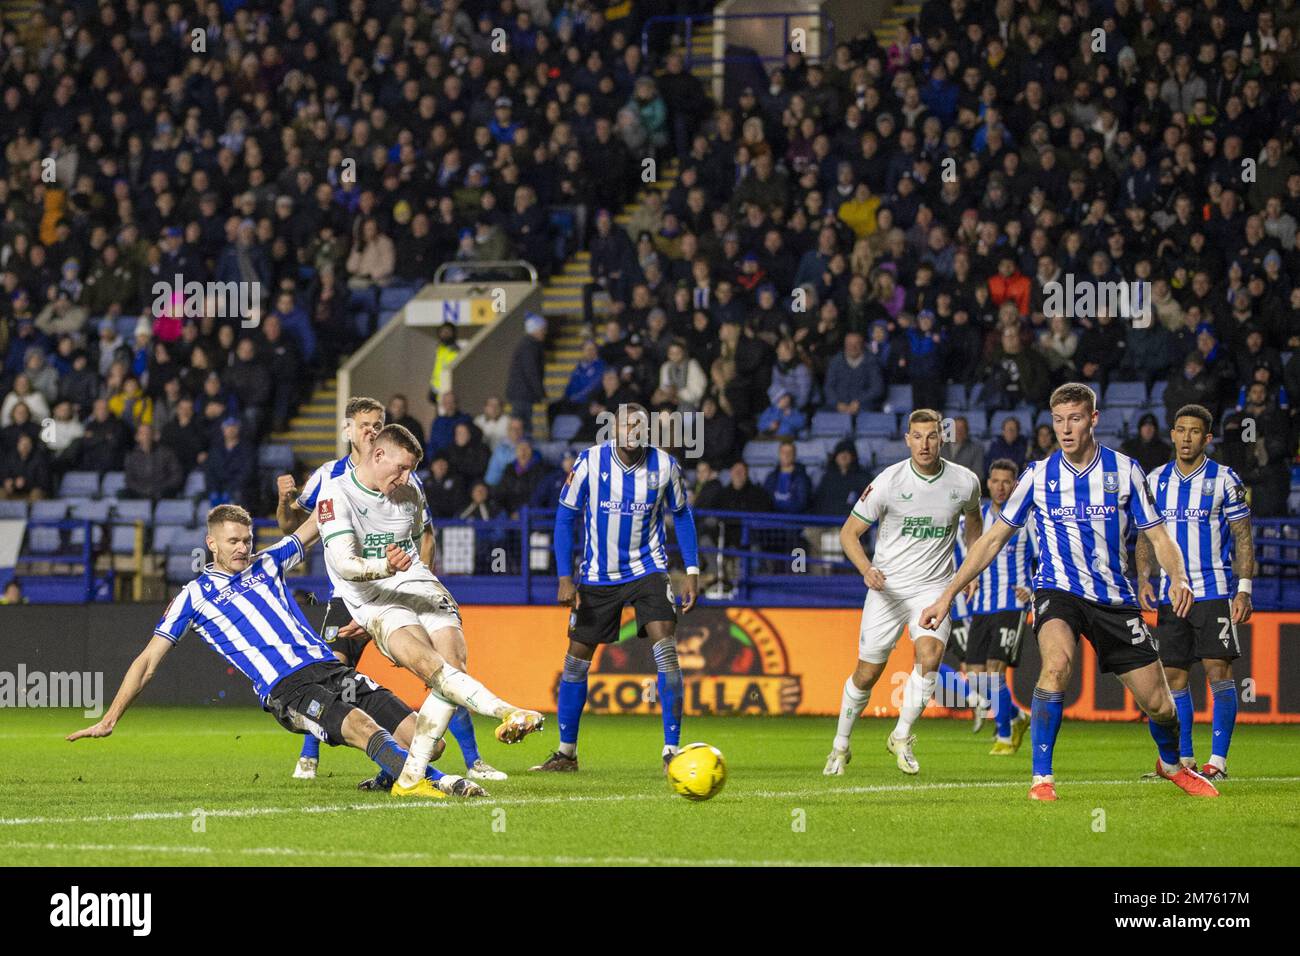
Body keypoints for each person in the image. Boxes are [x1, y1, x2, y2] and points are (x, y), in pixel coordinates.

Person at [919, 383, 1220, 801]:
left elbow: (1158, 535)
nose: (1065, 428)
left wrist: (1179, 577)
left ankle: (1171, 763)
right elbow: (989, 540)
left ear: (1093, 419)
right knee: (1056, 666)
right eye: (1058, 420)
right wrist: (947, 594)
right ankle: (1042, 779)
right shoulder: (1039, 476)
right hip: (1057, 591)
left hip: (1114, 600)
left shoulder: (1125, 471)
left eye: (1075, 418)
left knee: (1160, 706)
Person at [67, 504, 485, 800]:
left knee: (426, 737)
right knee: (359, 724)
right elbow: (147, 662)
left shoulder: (267, 563)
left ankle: (392, 773)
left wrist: (349, 485)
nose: (242, 548)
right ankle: (440, 784)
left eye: (247, 540)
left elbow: (313, 527)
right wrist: (110, 716)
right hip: (287, 689)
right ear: (211, 543)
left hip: (327, 668)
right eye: (232, 541)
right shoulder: (193, 597)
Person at [275, 398, 503, 784]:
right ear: (348, 430)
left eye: (378, 423)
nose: (371, 429)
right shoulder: (329, 478)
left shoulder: (404, 478)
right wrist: (284, 501)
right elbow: (295, 528)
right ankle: (310, 756)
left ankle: (472, 758)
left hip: (396, 590)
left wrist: (415, 584)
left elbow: (424, 536)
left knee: (440, 669)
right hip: (349, 594)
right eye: (364, 424)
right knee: (333, 670)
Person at [315, 423, 545, 795]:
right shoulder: (335, 494)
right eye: (401, 468)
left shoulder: (410, 491)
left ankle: (409, 777)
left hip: (418, 584)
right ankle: (506, 711)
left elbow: (421, 539)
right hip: (377, 600)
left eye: (411, 470)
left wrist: (416, 574)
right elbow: (344, 563)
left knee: (454, 665)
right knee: (428, 665)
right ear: (378, 455)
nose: (408, 478)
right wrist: (384, 569)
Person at [533, 403, 700, 773]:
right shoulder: (590, 462)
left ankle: (671, 749)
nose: (632, 430)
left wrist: (691, 568)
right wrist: (564, 576)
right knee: (576, 660)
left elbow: (682, 514)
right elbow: (566, 515)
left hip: (648, 570)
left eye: (638, 425)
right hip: (597, 576)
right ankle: (566, 753)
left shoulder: (665, 466)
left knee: (666, 648)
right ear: (613, 430)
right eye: (626, 424)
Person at [824, 409, 983, 778]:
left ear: (941, 438)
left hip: (933, 588)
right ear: (907, 439)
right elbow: (849, 534)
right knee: (867, 673)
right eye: (917, 436)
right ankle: (840, 745)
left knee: (929, 655)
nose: (925, 444)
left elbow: (974, 525)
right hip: (887, 589)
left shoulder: (965, 482)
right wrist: (867, 570)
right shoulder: (888, 482)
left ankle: (901, 734)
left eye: (931, 436)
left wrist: (969, 572)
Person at [1137, 404, 1254, 783]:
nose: (1186, 438)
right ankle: (1183, 761)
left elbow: (1242, 536)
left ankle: (1217, 762)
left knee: (1218, 672)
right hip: (1173, 595)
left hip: (1215, 590)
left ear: (1207, 438)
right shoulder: (1155, 480)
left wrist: (1244, 589)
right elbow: (1143, 535)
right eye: (1180, 430)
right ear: (1171, 434)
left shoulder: (1224, 479)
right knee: (1172, 680)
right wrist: (1143, 579)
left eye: (1194, 432)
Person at [963, 459, 1034, 756]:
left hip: (1012, 604)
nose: (1001, 487)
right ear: (987, 483)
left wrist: (1032, 588)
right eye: (995, 481)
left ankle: (1004, 736)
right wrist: (969, 578)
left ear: (1015, 485)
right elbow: (967, 553)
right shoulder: (977, 519)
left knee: (994, 670)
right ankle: (1017, 716)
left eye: (1007, 482)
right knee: (976, 676)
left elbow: (1045, 555)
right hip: (981, 606)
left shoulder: (1027, 518)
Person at [506, 312, 547, 429]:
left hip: (521, 393)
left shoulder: (528, 345)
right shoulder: (529, 347)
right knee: (522, 425)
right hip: (522, 394)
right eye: (542, 329)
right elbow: (531, 371)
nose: (544, 332)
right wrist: (540, 392)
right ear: (535, 329)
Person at [123, 424, 183, 500]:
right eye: (142, 433)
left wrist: (160, 488)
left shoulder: (167, 453)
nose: (146, 437)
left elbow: (176, 476)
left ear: (154, 436)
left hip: (162, 493)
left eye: (148, 433)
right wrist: (143, 490)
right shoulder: (131, 456)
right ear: (137, 437)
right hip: (140, 494)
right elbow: (129, 479)